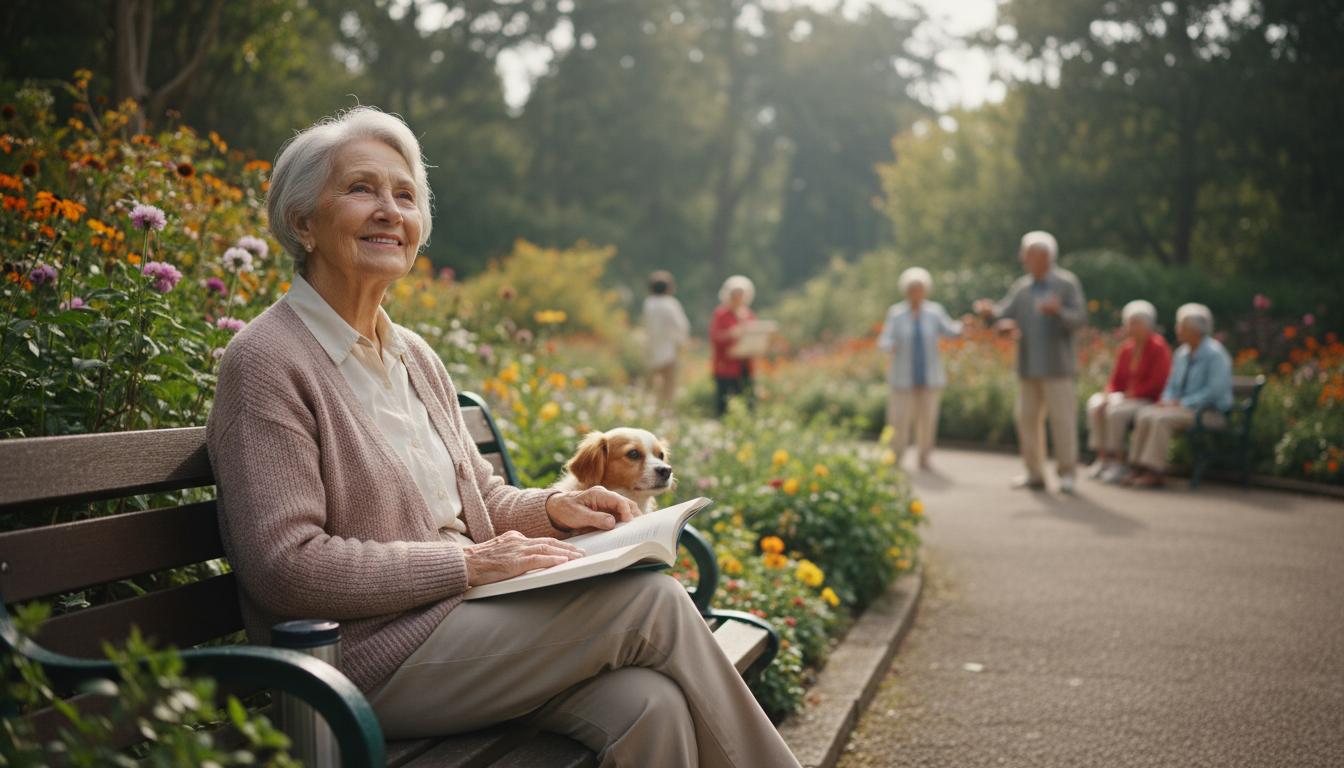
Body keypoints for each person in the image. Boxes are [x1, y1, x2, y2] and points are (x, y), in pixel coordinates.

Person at [206, 107, 800, 767]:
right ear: (301, 222)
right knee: (653, 601)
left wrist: (556, 508)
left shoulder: (413, 355)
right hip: (357, 661)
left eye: (405, 195)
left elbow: (480, 499)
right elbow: (286, 566)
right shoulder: (268, 361)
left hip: (469, 626)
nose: (389, 211)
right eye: (361, 189)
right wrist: (467, 566)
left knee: (648, 705)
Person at [974, 231, 1088, 493]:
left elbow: (1080, 318)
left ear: (1045, 257)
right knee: (1026, 421)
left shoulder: (1066, 283)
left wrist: (1058, 312)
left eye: (1028, 256)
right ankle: (1034, 473)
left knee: (1062, 422)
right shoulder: (1023, 287)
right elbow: (1005, 313)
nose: (1023, 260)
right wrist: (991, 313)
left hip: (1058, 367)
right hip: (1028, 366)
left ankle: (1067, 473)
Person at [1125, 303, 1233, 489]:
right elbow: (1172, 385)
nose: (1177, 329)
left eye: (1182, 326)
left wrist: (1182, 403)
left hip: (1209, 412)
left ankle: (1154, 472)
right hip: (1182, 409)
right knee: (1145, 414)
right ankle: (1138, 468)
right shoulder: (1181, 354)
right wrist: (1167, 401)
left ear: (1195, 330)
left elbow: (1214, 391)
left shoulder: (1215, 354)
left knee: (1161, 420)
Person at [877, 267, 964, 470]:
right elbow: (884, 339)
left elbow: (951, 331)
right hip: (903, 378)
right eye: (912, 290)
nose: (916, 293)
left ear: (925, 291)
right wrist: (889, 345)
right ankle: (895, 457)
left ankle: (924, 457)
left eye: (919, 289)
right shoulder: (896, 313)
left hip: (929, 377)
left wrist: (965, 325)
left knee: (928, 420)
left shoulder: (935, 312)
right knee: (899, 420)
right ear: (905, 291)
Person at [1085, 300, 1172, 483]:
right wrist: (1107, 395)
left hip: (1146, 399)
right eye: (1128, 323)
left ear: (1147, 325)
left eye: (1135, 323)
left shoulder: (1158, 348)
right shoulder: (1126, 348)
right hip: (1125, 398)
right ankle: (1103, 458)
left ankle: (1118, 461)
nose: (1130, 328)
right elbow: (1114, 381)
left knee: (1116, 412)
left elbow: (1158, 383)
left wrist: (1133, 394)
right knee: (1095, 404)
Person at [709, 275, 757, 416]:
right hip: (727, 366)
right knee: (724, 401)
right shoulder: (721, 314)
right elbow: (715, 337)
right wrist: (731, 334)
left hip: (746, 364)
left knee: (748, 400)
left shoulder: (748, 314)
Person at [641, 270, 690, 407]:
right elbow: (681, 326)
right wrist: (682, 342)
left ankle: (646, 407)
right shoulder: (670, 304)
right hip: (669, 348)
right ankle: (664, 408)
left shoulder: (648, 303)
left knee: (651, 381)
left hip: (652, 346)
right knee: (668, 383)